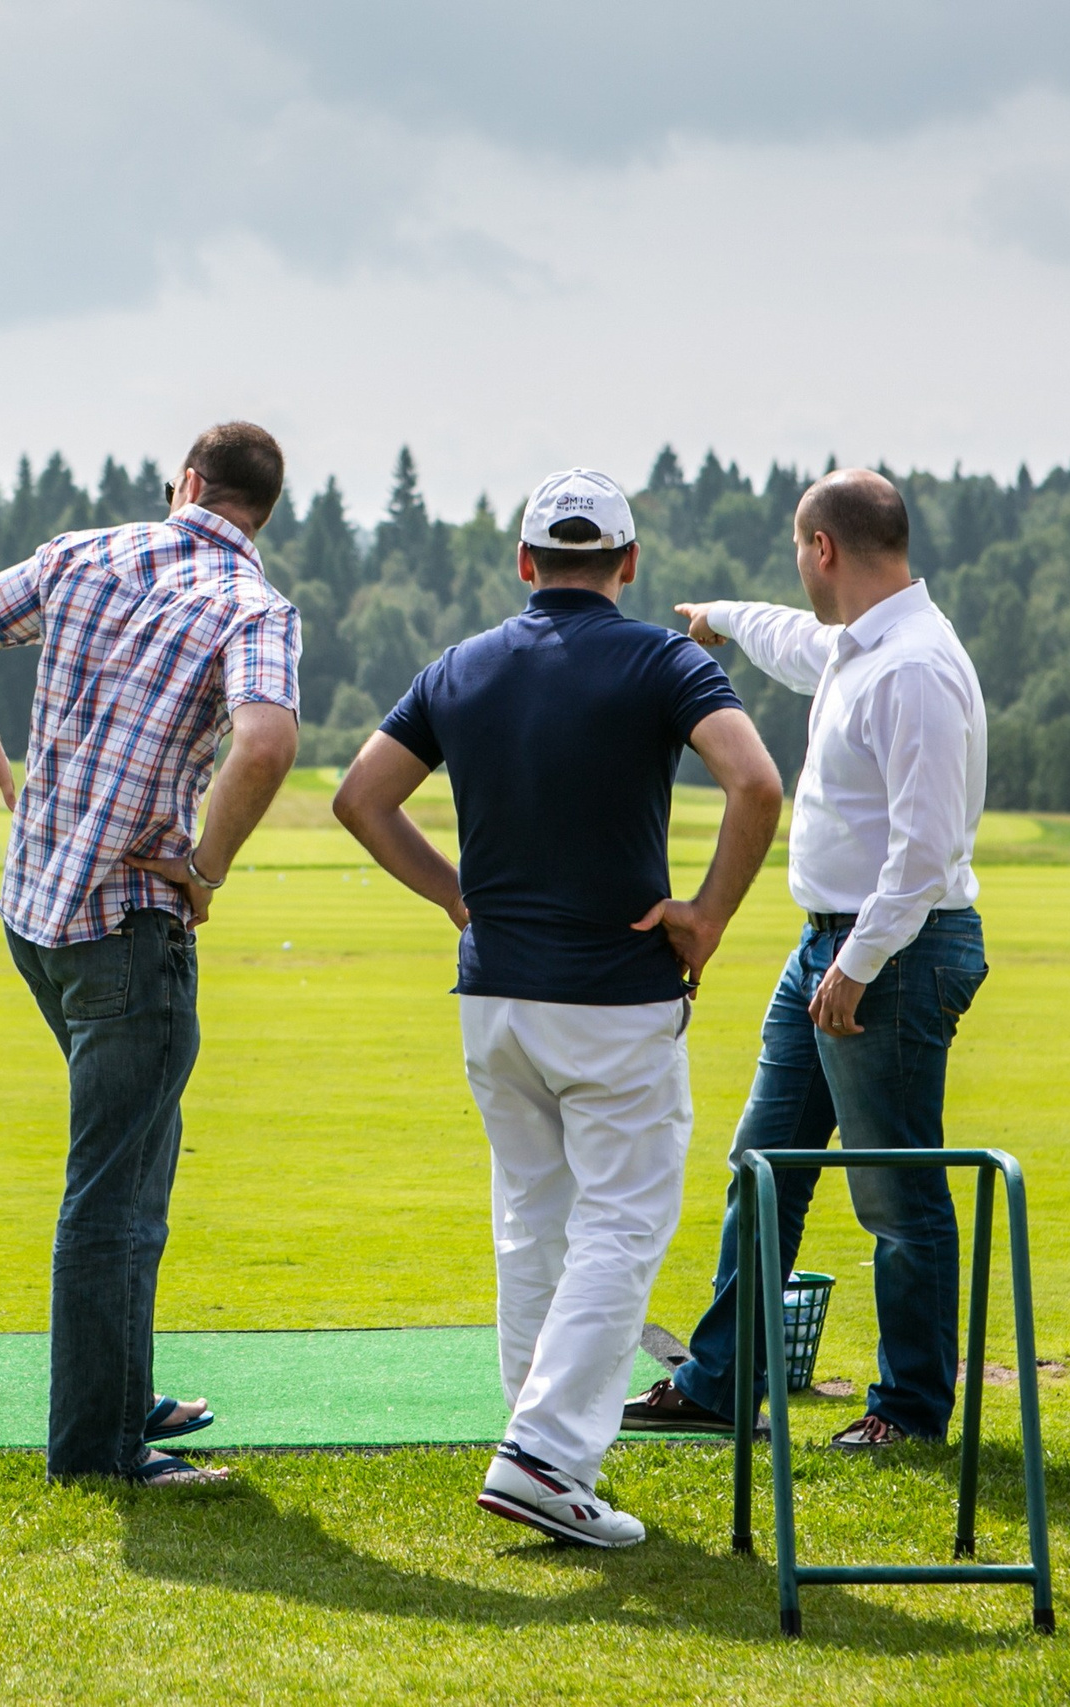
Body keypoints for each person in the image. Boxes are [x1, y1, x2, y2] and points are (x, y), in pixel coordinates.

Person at [333, 468, 785, 1547]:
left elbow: (360, 799)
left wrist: (455, 897)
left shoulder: (458, 667)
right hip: (614, 998)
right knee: (621, 1225)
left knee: (531, 1218)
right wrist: (707, 918)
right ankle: (542, 1457)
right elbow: (756, 784)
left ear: (526, 564)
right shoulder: (664, 659)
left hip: (492, 998)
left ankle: (532, 1443)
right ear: (626, 565)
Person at [0, 421, 301, 1486]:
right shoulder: (255, 607)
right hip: (129, 928)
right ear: (259, 511)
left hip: (35, 919)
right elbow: (267, 742)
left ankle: (119, 1395)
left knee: (134, 1170)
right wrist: (208, 868)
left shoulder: (86, 553)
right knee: (116, 1194)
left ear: (186, 484)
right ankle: (98, 1451)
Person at [625, 467, 989, 1451]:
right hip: (834, 947)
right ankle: (718, 1385)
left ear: (821, 548)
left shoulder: (912, 667)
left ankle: (909, 1413)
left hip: (888, 955)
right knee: (763, 1167)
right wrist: (717, 619)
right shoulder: (858, 648)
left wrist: (858, 965)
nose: (799, 567)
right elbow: (794, 639)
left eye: (799, 549)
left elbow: (922, 850)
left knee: (895, 1193)